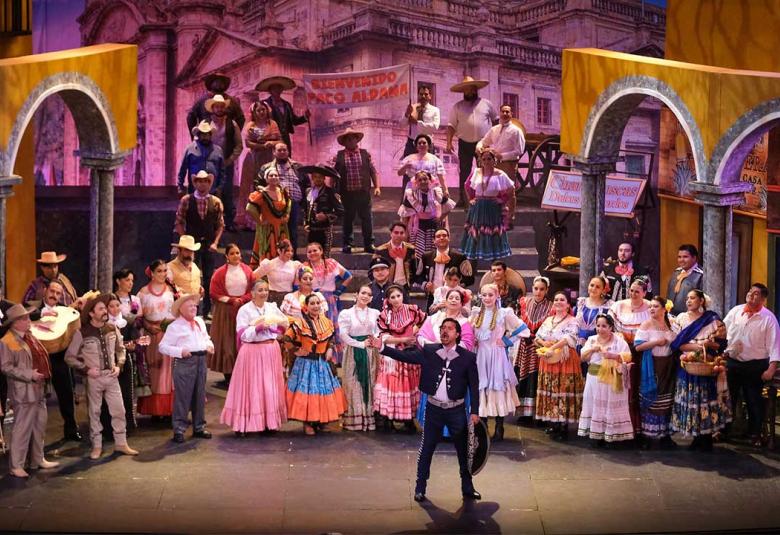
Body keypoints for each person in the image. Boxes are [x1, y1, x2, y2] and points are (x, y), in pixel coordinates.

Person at [368, 318, 481, 502]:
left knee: (463, 451)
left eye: (449, 329)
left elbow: (474, 386)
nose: (445, 331)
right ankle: (420, 487)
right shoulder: (430, 351)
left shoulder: (468, 357)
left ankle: (467, 487)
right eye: (442, 328)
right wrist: (383, 348)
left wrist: (474, 411)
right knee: (427, 448)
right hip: (434, 409)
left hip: (456, 411)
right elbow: (406, 357)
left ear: (457, 334)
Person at [65, 295, 139, 460]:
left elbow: (121, 350)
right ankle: (96, 446)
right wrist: (86, 369)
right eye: (101, 309)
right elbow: (70, 357)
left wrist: (119, 366)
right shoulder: (82, 333)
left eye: (105, 308)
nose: (105, 311)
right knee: (95, 412)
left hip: (111, 377)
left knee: (119, 410)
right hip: (94, 379)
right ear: (91, 313)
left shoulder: (112, 329)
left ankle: (121, 443)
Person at [221, 280, 289, 436]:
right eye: (260, 290)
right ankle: (243, 424)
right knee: (251, 387)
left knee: (268, 387)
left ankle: (268, 422)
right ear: (252, 293)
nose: (264, 293)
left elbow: (284, 324)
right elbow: (242, 334)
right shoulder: (245, 310)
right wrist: (257, 328)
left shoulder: (272, 308)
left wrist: (276, 327)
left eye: (266, 290)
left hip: (271, 350)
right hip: (252, 352)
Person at [0, 304, 59, 478]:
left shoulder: (29, 336)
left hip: (39, 388)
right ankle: (16, 465)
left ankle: (37, 459)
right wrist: (29, 374)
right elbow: (5, 367)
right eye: (24, 318)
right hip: (24, 391)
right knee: (22, 428)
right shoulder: (7, 342)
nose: (28, 320)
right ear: (15, 323)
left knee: (39, 425)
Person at [670, 289, 731, 451]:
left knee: (705, 401)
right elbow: (678, 344)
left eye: (692, 298)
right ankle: (695, 435)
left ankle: (706, 436)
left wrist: (710, 345)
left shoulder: (712, 320)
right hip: (688, 366)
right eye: (687, 298)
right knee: (691, 401)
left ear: (701, 301)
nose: (688, 301)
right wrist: (700, 346)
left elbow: (720, 344)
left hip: (707, 366)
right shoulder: (681, 319)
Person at [723, 283, 780, 447]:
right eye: (750, 292)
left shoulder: (769, 319)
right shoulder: (736, 311)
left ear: (763, 299)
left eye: (755, 294)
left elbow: (774, 346)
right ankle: (725, 430)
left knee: (753, 399)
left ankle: (754, 434)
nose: (751, 295)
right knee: (728, 398)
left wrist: (771, 369)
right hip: (733, 362)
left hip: (755, 365)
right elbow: (723, 329)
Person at [469, 283, 527, 441]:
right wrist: (473, 340)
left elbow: (523, 329)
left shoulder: (503, 313)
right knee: (482, 387)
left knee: (497, 386)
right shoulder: (476, 313)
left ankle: (500, 426)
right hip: (480, 355)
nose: (487, 298)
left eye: (490, 295)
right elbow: (468, 332)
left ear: (497, 296)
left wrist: (507, 341)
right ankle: (484, 426)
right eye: (484, 295)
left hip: (496, 355)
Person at [283, 293, 346, 435]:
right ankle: (308, 423)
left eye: (317, 303)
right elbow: (286, 338)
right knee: (307, 393)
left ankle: (321, 421)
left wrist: (330, 349)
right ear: (306, 307)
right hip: (306, 364)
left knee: (321, 392)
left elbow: (330, 339)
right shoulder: (300, 323)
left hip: (322, 362)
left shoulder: (327, 322)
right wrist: (296, 350)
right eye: (312, 303)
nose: (316, 306)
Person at [27, 279, 82, 442]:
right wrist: (42, 314)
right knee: (36, 399)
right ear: (45, 290)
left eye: (58, 293)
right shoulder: (33, 306)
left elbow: (73, 329)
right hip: (37, 359)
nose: (55, 295)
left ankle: (71, 429)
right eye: (52, 291)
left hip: (59, 358)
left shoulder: (64, 311)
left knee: (66, 394)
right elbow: (24, 315)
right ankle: (34, 437)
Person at [417, 289, 474, 438]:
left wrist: (448, 348)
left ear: (462, 303)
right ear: (445, 300)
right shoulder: (434, 318)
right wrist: (436, 348)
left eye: (457, 298)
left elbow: (467, 344)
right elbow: (421, 336)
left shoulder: (465, 323)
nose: (454, 300)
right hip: (435, 361)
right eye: (451, 297)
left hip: (454, 364)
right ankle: (433, 429)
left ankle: (450, 431)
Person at [159, 294, 214, 443]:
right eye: (190, 306)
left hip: (201, 360)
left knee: (199, 395)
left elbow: (206, 338)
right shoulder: (174, 326)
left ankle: (199, 427)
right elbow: (162, 346)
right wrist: (180, 352)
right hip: (185, 361)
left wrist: (209, 346)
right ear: (181, 309)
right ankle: (179, 429)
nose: (194, 308)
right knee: (183, 396)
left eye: (195, 306)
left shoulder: (199, 322)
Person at [374, 285, 426, 433]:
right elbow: (383, 337)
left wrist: (415, 333)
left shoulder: (412, 309)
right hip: (393, 354)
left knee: (409, 386)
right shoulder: (384, 315)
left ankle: (408, 419)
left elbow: (424, 321)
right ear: (388, 300)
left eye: (398, 296)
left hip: (410, 354)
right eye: (393, 297)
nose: (396, 299)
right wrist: (402, 339)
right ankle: (388, 418)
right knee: (393, 386)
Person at [173, 170, 225, 315]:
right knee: (189, 277)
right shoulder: (187, 200)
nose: (203, 184)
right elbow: (179, 222)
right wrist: (185, 242)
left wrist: (215, 242)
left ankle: (207, 310)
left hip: (208, 244)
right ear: (195, 183)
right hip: (191, 246)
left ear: (209, 184)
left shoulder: (215, 201)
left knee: (208, 277)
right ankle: (189, 308)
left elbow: (220, 224)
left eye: (206, 181)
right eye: (200, 181)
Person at [578, 314, 634, 445]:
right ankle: (596, 434)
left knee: (609, 406)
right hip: (594, 378)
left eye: (604, 326)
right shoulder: (591, 340)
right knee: (594, 405)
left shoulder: (618, 341)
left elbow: (628, 357)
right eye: (598, 326)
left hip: (611, 378)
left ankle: (610, 434)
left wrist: (612, 356)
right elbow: (583, 357)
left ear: (610, 327)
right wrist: (592, 349)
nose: (600, 329)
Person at [534, 292, 584, 440]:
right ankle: (554, 423)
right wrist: (544, 344)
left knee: (563, 388)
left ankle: (563, 426)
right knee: (550, 388)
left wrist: (553, 347)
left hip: (564, 358)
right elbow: (538, 337)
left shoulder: (572, 320)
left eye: (562, 300)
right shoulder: (549, 320)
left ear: (568, 304)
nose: (559, 302)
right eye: (556, 299)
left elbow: (569, 338)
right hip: (548, 359)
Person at [446, 76, 498, 207]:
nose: (469, 91)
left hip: (483, 144)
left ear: (475, 90)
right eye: (467, 89)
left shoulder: (487, 104)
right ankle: (464, 199)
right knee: (464, 172)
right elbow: (451, 126)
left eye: (471, 89)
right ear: (463, 91)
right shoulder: (457, 107)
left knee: (485, 170)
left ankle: (485, 197)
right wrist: (448, 142)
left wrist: (496, 139)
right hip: (464, 143)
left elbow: (496, 121)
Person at [609, 278, 651, 439]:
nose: (633, 294)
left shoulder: (649, 307)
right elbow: (608, 326)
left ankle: (639, 430)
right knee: (622, 389)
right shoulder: (618, 306)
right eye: (632, 290)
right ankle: (619, 428)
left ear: (644, 293)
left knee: (638, 389)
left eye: (637, 291)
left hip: (642, 353)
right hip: (622, 352)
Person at [634, 296, 678, 448]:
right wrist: (656, 342)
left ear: (664, 309)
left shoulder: (671, 324)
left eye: (656, 306)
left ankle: (664, 435)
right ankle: (647, 435)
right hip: (652, 365)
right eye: (650, 306)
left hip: (668, 366)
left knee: (667, 398)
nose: (652, 309)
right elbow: (638, 346)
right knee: (651, 399)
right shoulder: (646, 325)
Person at [209, 244, 254, 387]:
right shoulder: (220, 273)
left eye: (237, 252)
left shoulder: (247, 271)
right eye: (232, 253)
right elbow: (214, 292)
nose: (236, 255)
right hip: (226, 311)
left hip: (243, 309)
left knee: (241, 341)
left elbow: (253, 289)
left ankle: (241, 376)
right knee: (226, 342)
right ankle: (228, 376)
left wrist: (242, 299)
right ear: (226, 256)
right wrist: (230, 300)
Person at [136, 260, 177, 418]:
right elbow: (139, 316)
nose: (163, 274)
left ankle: (168, 409)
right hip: (151, 336)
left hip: (168, 334)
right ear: (152, 273)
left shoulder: (171, 290)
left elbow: (175, 310)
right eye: (159, 271)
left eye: (165, 270)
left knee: (168, 371)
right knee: (154, 369)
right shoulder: (143, 293)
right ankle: (154, 410)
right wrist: (147, 325)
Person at [338, 285, 381, 431]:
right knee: (353, 384)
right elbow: (343, 334)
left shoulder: (375, 313)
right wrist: (360, 344)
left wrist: (372, 340)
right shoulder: (346, 313)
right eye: (363, 293)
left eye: (369, 294)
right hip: (353, 351)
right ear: (356, 294)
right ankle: (354, 420)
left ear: (371, 298)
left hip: (371, 351)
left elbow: (378, 331)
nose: (365, 296)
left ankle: (368, 419)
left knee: (370, 382)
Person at [333, 127, 381, 254]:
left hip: (363, 193)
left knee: (367, 219)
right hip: (346, 193)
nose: (351, 140)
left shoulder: (365, 154)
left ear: (357, 140)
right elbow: (333, 174)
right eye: (348, 139)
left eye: (353, 138)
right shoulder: (339, 156)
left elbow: (373, 171)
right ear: (344, 142)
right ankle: (348, 244)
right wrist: (334, 192)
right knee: (348, 219)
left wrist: (377, 187)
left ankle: (369, 244)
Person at [477, 104, 525, 227]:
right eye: (503, 111)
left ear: (511, 114)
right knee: (495, 191)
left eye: (507, 112)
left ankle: (509, 219)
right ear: (500, 113)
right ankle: (496, 218)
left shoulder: (516, 131)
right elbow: (484, 141)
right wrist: (479, 147)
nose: (505, 114)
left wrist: (502, 156)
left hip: (509, 164)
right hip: (495, 165)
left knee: (509, 192)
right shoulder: (494, 129)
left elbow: (519, 151)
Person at [461, 149, 513, 261]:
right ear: (480, 160)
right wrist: (471, 199)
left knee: (492, 232)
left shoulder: (500, 174)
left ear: (494, 160)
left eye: (489, 159)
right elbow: (467, 185)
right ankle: (473, 264)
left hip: (492, 207)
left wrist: (502, 200)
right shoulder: (476, 172)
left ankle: (495, 265)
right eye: (483, 159)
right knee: (476, 232)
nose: (486, 161)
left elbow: (511, 188)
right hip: (478, 206)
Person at [303, 242, 352, 363]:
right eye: (309, 252)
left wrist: (338, 292)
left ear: (321, 251)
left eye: (315, 250)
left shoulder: (331, 263)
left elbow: (348, 276)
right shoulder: (304, 267)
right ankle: (316, 357)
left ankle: (333, 360)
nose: (312, 253)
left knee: (330, 328)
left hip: (329, 300)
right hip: (313, 301)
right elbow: (297, 284)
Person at [257, 143, 309, 256]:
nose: (282, 152)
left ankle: (293, 256)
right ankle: (276, 256)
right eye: (279, 150)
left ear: (288, 151)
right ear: (274, 152)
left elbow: (306, 184)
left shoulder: (298, 167)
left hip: (294, 203)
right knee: (276, 231)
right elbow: (258, 184)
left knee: (292, 231)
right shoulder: (266, 168)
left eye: (284, 150)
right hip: (275, 203)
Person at [238, 101, 281, 230]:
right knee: (252, 186)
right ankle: (251, 220)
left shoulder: (272, 124)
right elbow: (248, 143)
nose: (261, 112)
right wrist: (262, 146)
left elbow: (280, 140)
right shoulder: (250, 125)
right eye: (259, 110)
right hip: (253, 158)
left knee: (268, 185)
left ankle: (268, 217)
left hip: (268, 157)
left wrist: (271, 143)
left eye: (263, 109)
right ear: (254, 113)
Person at [515, 276, 553, 420]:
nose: (538, 292)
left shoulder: (551, 307)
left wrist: (540, 340)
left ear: (546, 290)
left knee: (537, 378)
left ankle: (538, 413)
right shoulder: (524, 302)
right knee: (523, 376)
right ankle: (523, 413)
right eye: (536, 289)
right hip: (525, 345)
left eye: (542, 289)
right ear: (532, 288)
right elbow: (517, 322)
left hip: (540, 347)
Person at [207, 94, 243, 232]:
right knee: (211, 193)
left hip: (226, 163)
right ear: (213, 108)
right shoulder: (206, 123)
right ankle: (213, 223)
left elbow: (239, 145)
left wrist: (230, 160)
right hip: (210, 164)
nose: (219, 108)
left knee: (227, 192)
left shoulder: (231, 123)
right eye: (217, 106)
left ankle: (229, 222)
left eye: (221, 106)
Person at [416, 228, 474, 311]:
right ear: (433, 240)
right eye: (438, 236)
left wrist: (455, 287)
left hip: (454, 298)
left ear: (449, 238)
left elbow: (470, 279)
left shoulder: (460, 257)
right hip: (433, 296)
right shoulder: (426, 256)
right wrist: (426, 285)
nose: (441, 238)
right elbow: (418, 276)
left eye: (444, 235)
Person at [399, 171, 450, 262]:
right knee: (418, 253)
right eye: (420, 180)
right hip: (418, 226)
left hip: (433, 225)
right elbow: (404, 213)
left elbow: (448, 206)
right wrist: (405, 231)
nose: (423, 182)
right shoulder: (411, 194)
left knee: (433, 252)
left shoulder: (436, 192)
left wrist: (440, 218)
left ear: (430, 180)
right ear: (416, 182)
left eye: (425, 179)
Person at [247, 167, 291, 267]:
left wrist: (287, 215)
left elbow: (288, 203)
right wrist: (259, 221)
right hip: (268, 229)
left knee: (282, 250)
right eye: (271, 175)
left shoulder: (282, 192)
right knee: (268, 252)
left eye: (276, 175)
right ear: (266, 179)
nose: (274, 177)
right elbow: (250, 208)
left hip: (281, 228)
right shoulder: (262, 194)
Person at [258, 76, 310, 155]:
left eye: (279, 88)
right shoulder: (264, 104)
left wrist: (305, 117)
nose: (277, 90)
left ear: (281, 90)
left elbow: (294, 121)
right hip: (270, 138)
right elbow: (259, 121)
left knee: (285, 158)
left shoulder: (286, 105)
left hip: (285, 138)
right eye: (274, 88)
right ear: (270, 91)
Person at [300, 164, 344, 257]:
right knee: (312, 255)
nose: (318, 179)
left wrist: (326, 216)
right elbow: (306, 209)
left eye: (320, 177)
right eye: (315, 177)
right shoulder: (308, 191)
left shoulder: (330, 192)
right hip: (311, 230)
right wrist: (305, 223)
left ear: (324, 178)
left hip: (324, 230)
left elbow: (340, 211)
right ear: (312, 178)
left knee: (325, 256)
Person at [177, 121, 224, 195]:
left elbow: (222, 172)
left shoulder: (218, 151)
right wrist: (180, 187)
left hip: (213, 191)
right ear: (198, 135)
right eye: (202, 134)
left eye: (207, 134)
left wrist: (220, 188)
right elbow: (183, 169)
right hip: (194, 190)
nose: (205, 136)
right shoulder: (190, 149)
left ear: (210, 135)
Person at [254, 239, 301, 305]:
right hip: (273, 297)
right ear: (279, 251)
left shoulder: (295, 265)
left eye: (291, 251)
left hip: (289, 297)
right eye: (287, 250)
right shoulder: (270, 264)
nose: (290, 253)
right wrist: (262, 288)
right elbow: (253, 276)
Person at [373, 222, 416, 293]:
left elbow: (414, 269)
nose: (399, 235)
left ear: (405, 234)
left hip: (405, 286)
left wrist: (410, 283)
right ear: (391, 233)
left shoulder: (411, 249)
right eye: (396, 232)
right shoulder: (380, 250)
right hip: (387, 286)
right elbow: (373, 272)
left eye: (401, 233)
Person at [167, 235, 204, 312]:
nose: (189, 254)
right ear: (179, 251)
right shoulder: (170, 267)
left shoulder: (195, 267)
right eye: (186, 250)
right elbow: (168, 291)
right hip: (177, 309)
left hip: (194, 308)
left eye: (191, 251)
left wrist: (199, 288)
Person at [575, 277, 614, 350]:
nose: (593, 288)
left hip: (597, 345)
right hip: (577, 343)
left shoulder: (608, 306)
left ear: (603, 290)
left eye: (598, 287)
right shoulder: (580, 302)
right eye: (592, 285)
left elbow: (610, 328)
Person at [402, 85, 440, 158]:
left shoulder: (435, 110)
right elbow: (402, 124)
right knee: (409, 166)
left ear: (430, 96)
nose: (423, 96)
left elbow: (435, 127)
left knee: (428, 166)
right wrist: (406, 114)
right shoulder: (412, 108)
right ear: (418, 95)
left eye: (426, 94)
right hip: (412, 143)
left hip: (427, 143)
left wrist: (417, 123)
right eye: (421, 94)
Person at [666, 244, 703, 315]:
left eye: (685, 257)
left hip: (690, 318)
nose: (681, 260)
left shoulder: (701, 275)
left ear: (694, 258)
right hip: (671, 317)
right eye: (679, 257)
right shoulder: (676, 273)